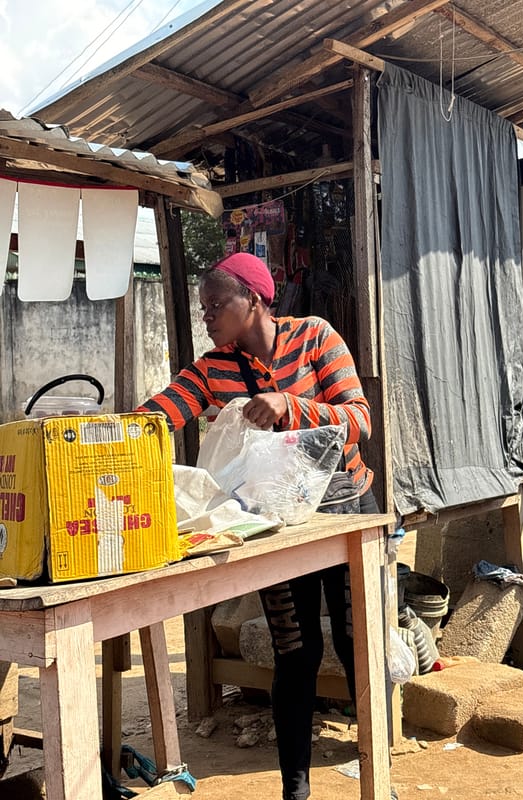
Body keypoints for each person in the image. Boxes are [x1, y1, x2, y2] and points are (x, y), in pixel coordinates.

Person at [137, 251, 378, 800]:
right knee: (295, 651)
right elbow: (159, 414)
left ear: (255, 299)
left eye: (216, 304)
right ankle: (296, 786)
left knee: (353, 638)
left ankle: (375, 759)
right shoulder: (213, 368)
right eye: (203, 309)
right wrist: (106, 430)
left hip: (343, 512)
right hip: (274, 528)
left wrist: (288, 405)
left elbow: (360, 420)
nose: (208, 316)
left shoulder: (316, 337)